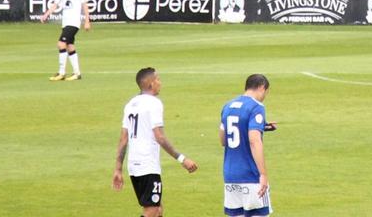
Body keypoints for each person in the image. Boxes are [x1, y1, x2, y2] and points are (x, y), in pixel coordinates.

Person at [112, 67, 198, 217]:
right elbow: (160, 137)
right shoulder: (154, 103)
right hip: (147, 165)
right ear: (150, 84)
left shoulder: (130, 105)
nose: (160, 83)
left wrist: (118, 169)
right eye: (158, 79)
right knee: (151, 210)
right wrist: (182, 159)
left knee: (158, 209)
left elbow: (123, 139)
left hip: (134, 165)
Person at [219, 74, 273, 217]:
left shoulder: (228, 106)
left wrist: (259, 127)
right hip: (250, 176)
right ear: (262, 87)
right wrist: (263, 174)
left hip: (230, 176)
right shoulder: (256, 107)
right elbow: (254, 140)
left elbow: (223, 140)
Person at [40, 0, 90, 82]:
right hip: (66, 22)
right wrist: (46, 14)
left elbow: (85, 5)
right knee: (70, 46)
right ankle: (77, 73)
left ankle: (61, 72)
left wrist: (87, 21)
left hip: (74, 23)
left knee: (61, 44)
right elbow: (55, 4)